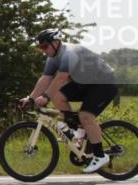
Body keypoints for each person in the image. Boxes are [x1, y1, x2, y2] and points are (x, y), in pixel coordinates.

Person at [19, 29, 119, 173]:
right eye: (41, 47)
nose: (43, 50)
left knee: (86, 115)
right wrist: (31, 98)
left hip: (104, 83)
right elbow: (45, 78)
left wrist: (45, 97)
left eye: (45, 46)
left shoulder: (69, 53)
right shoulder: (52, 58)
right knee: (58, 95)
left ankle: (100, 155)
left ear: (56, 42)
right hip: (85, 84)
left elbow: (61, 77)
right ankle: (77, 130)